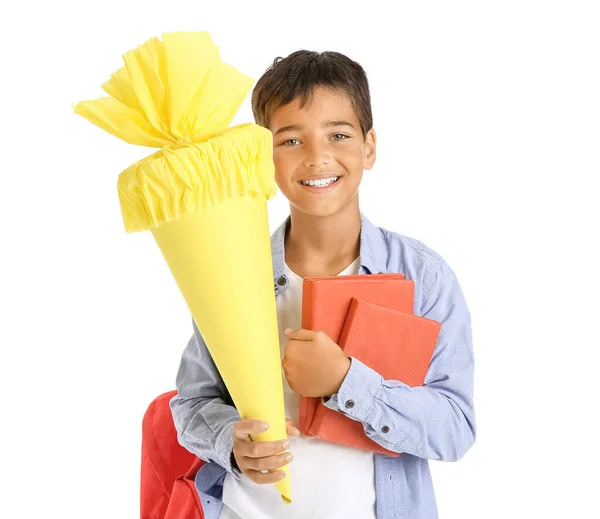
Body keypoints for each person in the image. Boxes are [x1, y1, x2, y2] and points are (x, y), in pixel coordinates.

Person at [170, 50, 476, 519]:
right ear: (261, 158)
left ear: (368, 147)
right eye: (289, 140)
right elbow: (192, 403)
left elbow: (454, 429)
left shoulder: (423, 276)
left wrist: (346, 380)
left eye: (338, 134)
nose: (316, 157)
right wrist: (229, 440)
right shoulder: (231, 273)